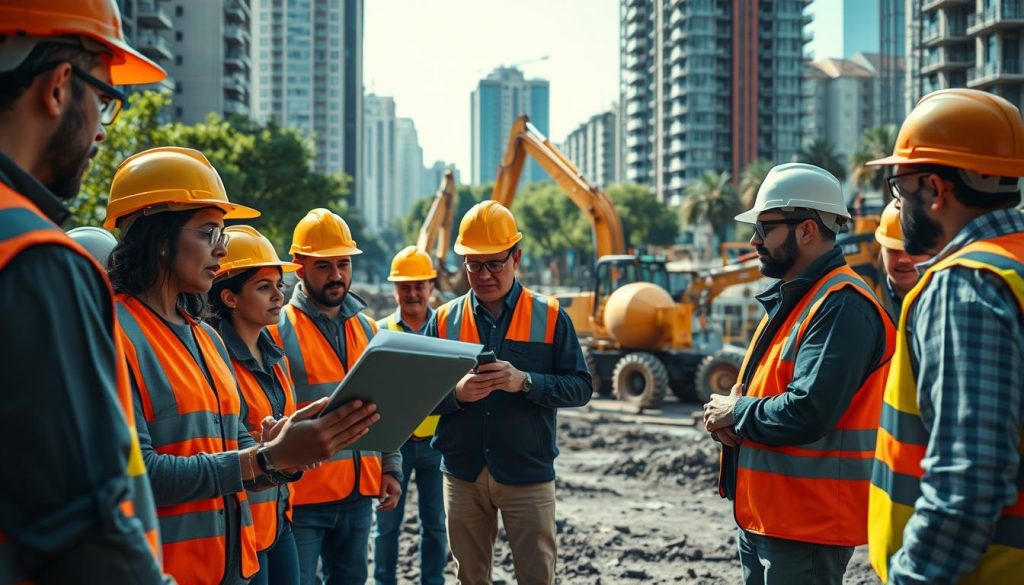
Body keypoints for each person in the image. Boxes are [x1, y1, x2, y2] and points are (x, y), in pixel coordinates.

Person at [105, 147, 380, 585]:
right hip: (164, 571)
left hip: (235, 567)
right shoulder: (113, 334)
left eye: (222, 235)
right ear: (159, 240)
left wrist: (280, 452)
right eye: (209, 233)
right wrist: (264, 457)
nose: (221, 249)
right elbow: (139, 475)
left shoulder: (205, 337)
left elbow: (237, 448)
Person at [0, 1, 168, 581]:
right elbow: (83, 527)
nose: (100, 128)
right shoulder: (37, 259)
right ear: (58, 87)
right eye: (104, 100)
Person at [703, 163, 894, 585]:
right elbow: (762, 395)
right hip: (768, 517)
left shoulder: (841, 305)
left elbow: (807, 410)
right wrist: (728, 420)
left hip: (806, 525)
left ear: (807, 230)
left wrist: (738, 412)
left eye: (765, 227)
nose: (754, 240)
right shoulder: (797, 299)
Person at [865, 88, 1024, 584]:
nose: (896, 203)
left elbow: (967, 478)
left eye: (899, 188)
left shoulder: (965, 285)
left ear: (934, 189)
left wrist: (915, 577)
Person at [425, 200, 593, 584]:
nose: (484, 274)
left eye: (494, 263)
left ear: (516, 257)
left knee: (536, 575)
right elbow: (418, 397)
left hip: (527, 474)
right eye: (473, 264)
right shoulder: (444, 320)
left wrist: (527, 382)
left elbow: (581, 387)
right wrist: (457, 394)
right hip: (463, 475)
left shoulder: (550, 316)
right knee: (470, 577)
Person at [269, 208, 403, 585]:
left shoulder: (367, 327)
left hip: (360, 494)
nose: (337, 275)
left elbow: (383, 405)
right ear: (299, 267)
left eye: (343, 264)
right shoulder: (276, 329)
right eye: (323, 266)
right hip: (304, 497)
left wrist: (390, 467)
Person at [209, 225, 303, 585]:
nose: (278, 295)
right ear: (230, 297)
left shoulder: (275, 357)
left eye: (278, 285)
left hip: (280, 517)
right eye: (263, 287)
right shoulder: (216, 359)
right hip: (243, 528)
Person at [373, 246, 448, 585]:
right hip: (394, 444)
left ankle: (433, 581)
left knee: (435, 522)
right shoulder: (380, 332)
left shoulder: (448, 328)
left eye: (420, 285)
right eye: (405, 286)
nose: (413, 293)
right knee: (387, 524)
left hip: (437, 443)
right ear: (395, 289)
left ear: (431, 286)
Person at [873, 201, 929, 318]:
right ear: (881, 250)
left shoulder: (947, 296)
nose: (904, 259)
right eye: (893, 250)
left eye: (912, 249)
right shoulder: (864, 300)